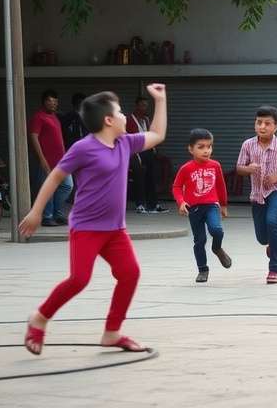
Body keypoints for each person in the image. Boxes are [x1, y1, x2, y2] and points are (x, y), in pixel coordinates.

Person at [20, 83, 167, 356]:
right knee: (79, 279)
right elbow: (55, 176)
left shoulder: (125, 142)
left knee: (130, 273)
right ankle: (39, 318)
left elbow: (157, 134)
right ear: (108, 120)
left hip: (115, 230)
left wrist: (160, 99)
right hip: (86, 228)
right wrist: (36, 211)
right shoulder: (83, 148)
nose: (124, 116)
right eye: (120, 112)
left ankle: (112, 333)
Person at [236, 106, 277, 284]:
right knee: (262, 238)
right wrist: (248, 169)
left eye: (267, 123)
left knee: (272, 221)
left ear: (276, 126)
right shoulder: (247, 144)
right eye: (259, 122)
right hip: (257, 194)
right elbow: (239, 168)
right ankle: (271, 244)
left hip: (276, 190)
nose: (262, 126)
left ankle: (274, 269)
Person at [172, 128, 231, 283]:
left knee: (216, 230)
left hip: (212, 205)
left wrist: (223, 205)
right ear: (191, 149)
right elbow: (176, 187)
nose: (206, 150)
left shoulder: (215, 165)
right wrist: (181, 202)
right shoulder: (186, 168)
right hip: (194, 209)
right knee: (200, 240)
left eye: (209, 146)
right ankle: (203, 270)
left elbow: (221, 186)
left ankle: (217, 248)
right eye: (201, 147)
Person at [29, 89, 72, 226]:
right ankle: (47, 216)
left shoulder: (54, 117)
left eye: (55, 101)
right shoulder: (38, 117)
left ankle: (57, 213)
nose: (53, 103)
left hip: (61, 160)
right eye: (50, 101)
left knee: (67, 186)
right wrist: (42, 159)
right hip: (47, 160)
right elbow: (34, 137)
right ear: (44, 102)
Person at [127, 96, 167, 214]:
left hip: (148, 150)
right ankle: (140, 204)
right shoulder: (129, 119)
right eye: (142, 105)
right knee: (139, 177)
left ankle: (153, 205)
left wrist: (154, 149)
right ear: (137, 106)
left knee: (152, 176)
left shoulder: (146, 119)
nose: (144, 108)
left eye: (146, 105)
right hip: (136, 152)